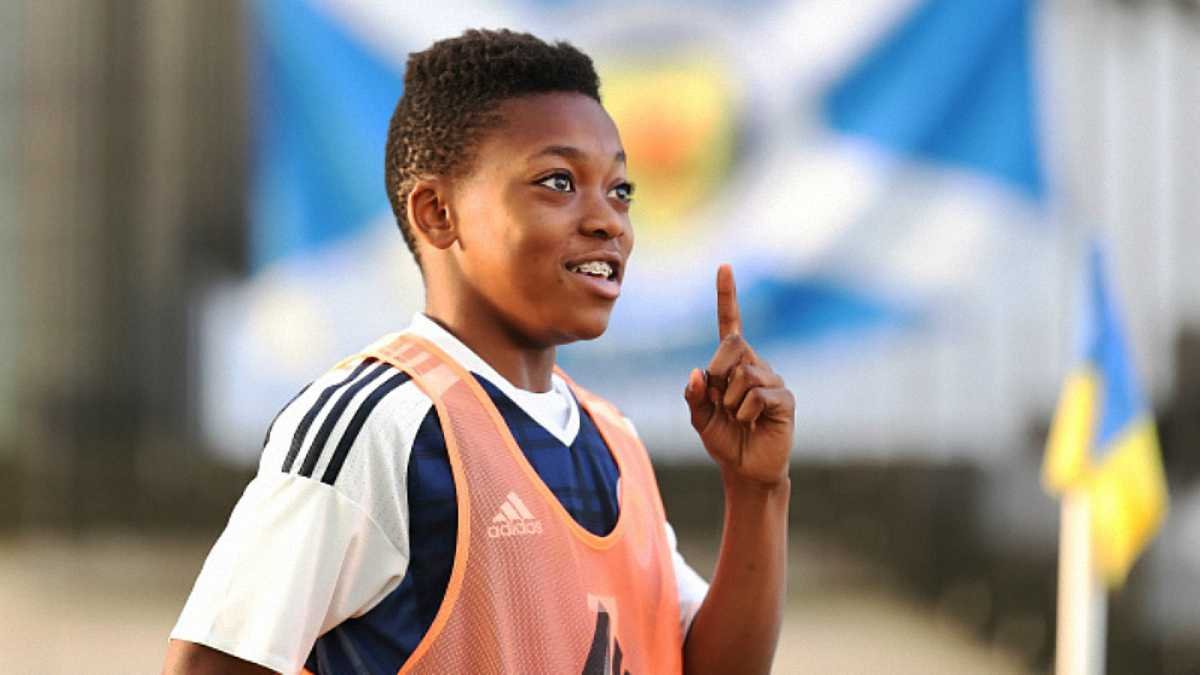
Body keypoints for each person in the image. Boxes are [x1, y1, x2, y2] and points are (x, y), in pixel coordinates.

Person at [163, 28, 792, 675]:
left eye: (620, 190)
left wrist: (758, 491)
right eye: (558, 181)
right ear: (438, 213)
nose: (607, 219)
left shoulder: (613, 441)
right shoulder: (380, 427)